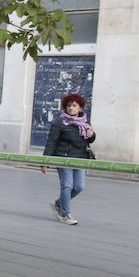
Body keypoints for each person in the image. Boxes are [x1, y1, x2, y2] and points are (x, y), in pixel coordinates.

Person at [42, 92, 95, 225]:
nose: (71, 108)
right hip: (63, 158)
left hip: (80, 158)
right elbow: (51, 142)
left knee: (79, 187)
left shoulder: (85, 122)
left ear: (80, 108)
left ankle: (58, 204)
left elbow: (90, 140)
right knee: (67, 185)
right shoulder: (59, 123)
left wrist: (92, 135)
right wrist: (45, 162)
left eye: (74, 106)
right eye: (68, 106)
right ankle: (65, 214)